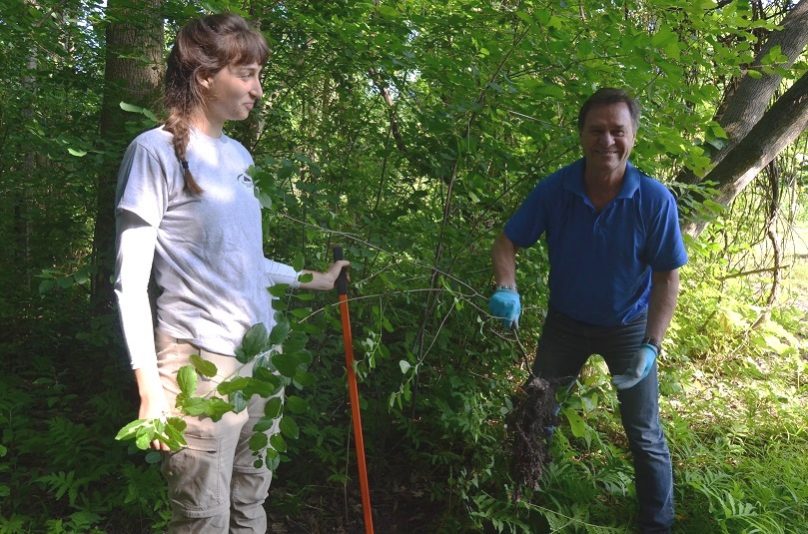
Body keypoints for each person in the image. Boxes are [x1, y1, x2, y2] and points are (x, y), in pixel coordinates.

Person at [113, 13, 348, 533]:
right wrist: (151, 390)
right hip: (198, 367)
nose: (258, 90)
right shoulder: (154, 152)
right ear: (204, 77)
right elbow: (129, 284)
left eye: (259, 75)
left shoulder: (239, 155)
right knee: (204, 520)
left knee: (249, 505)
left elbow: (243, 259)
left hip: (260, 360)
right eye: (246, 75)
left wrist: (316, 279)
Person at [489, 88, 687, 533]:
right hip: (565, 325)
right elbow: (507, 241)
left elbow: (666, 277)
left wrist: (652, 347)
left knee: (644, 431)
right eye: (597, 130)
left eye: (618, 131)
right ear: (581, 135)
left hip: (628, 328)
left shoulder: (654, 200)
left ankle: (658, 524)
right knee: (536, 415)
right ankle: (522, 507)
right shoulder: (556, 189)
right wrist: (507, 286)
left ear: (634, 136)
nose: (607, 141)